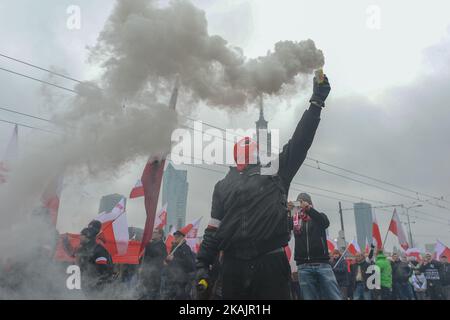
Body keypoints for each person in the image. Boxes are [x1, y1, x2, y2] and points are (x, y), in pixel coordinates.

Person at [196, 74, 331, 300]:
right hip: (249, 265)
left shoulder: (269, 173)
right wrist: (203, 265)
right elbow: (213, 230)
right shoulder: (234, 182)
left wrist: (203, 263)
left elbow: (212, 230)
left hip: (256, 265)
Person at [292, 194, 341, 300]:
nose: (300, 206)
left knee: (334, 296)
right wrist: (288, 211)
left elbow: (325, 223)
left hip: (322, 264)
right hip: (303, 265)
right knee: (309, 297)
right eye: (298, 203)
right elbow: (284, 228)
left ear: (309, 203)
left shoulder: (318, 216)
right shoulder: (295, 219)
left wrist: (309, 209)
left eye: (302, 203)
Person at [76, 227, 113, 298]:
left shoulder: (98, 249)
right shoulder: (85, 248)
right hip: (88, 283)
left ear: (88, 237)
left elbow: (103, 269)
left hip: (98, 285)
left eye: (81, 235)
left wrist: (95, 281)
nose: (79, 237)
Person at [163, 230, 196, 300]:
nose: (175, 238)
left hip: (181, 279)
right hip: (172, 278)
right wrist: (167, 261)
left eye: (177, 237)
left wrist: (173, 259)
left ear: (182, 238)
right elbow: (171, 261)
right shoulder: (174, 247)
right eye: (174, 237)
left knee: (180, 296)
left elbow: (189, 263)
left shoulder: (185, 248)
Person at [140, 228, 167, 300]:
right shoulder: (149, 244)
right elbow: (145, 257)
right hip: (146, 272)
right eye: (153, 232)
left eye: (155, 232)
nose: (153, 234)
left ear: (160, 235)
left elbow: (161, 258)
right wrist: (142, 267)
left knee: (153, 293)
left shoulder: (162, 246)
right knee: (144, 292)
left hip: (155, 274)